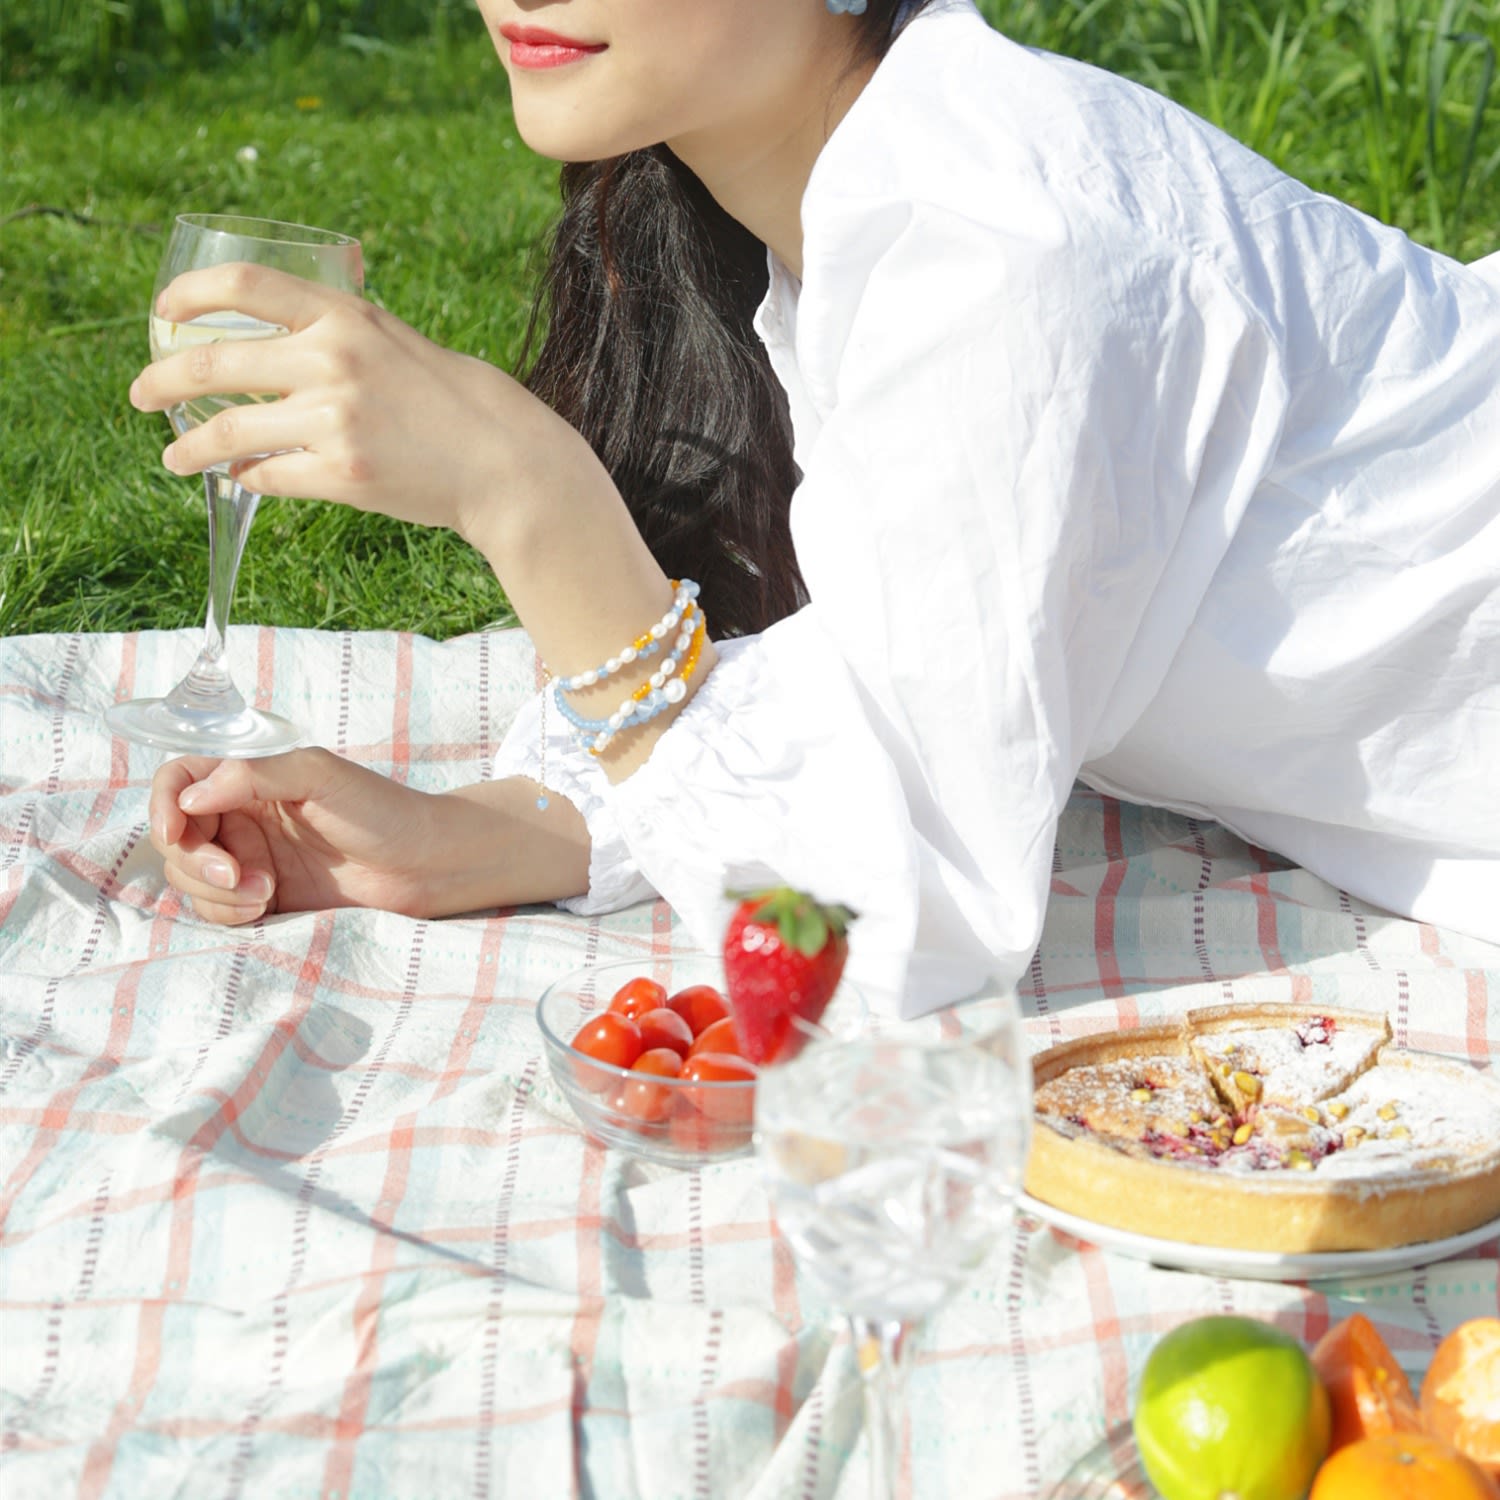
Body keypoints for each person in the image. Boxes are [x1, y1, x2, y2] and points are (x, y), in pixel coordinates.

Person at [134, 0, 1500, 1016]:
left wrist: (532, 499)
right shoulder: (846, 203)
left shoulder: (1003, 250)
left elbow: (877, 932)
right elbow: (898, 670)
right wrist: (480, 839)